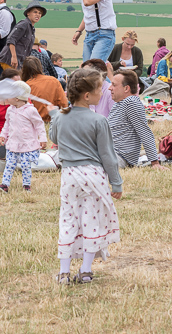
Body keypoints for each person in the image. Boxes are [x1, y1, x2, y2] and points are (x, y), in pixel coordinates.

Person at [49, 68, 122, 285]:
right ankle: (86, 270)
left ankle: (64, 272)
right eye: (99, 88)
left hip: (69, 175)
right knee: (93, 220)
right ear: (87, 95)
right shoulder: (99, 120)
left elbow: (54, 137)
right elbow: (107, 155)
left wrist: (55, 115)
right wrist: (116, 181)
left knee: (69, 219)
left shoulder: (61, 118)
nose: (103, 91)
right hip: (93, 175)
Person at [0, 80, 48, 193]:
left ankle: (26, 185)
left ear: (17, 98)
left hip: (26, 144)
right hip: (13, 143)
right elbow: (7, 124)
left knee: (25, 166)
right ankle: (5, 184)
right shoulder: (10, 110)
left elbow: (39, 125)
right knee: (9, 164)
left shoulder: (30, 111)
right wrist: (3, 134)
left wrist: (42, 138)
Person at [109, 70, 164, 169]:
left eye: (113, 85)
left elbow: (144, 132)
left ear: (126, 88)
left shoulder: (131, 102)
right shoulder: (119, 103)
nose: (109, 88)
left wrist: (155, 163)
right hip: (109, 153)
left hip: (116, 156)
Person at [0, 2, 47, 70]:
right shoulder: (24, 24)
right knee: (15, 80)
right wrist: (13, 57)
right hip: (10, 60)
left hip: (19, 62)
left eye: (40, 13)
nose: (38, 15)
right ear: (28, 13)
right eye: (35, 12)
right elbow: (11, 39)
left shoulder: (31, 28)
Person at [21, 56, 69, 121]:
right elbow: (63, 103)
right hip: (53, 120)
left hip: (33, 123)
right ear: (40, 67)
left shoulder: (25, 86)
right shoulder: (53, 80)